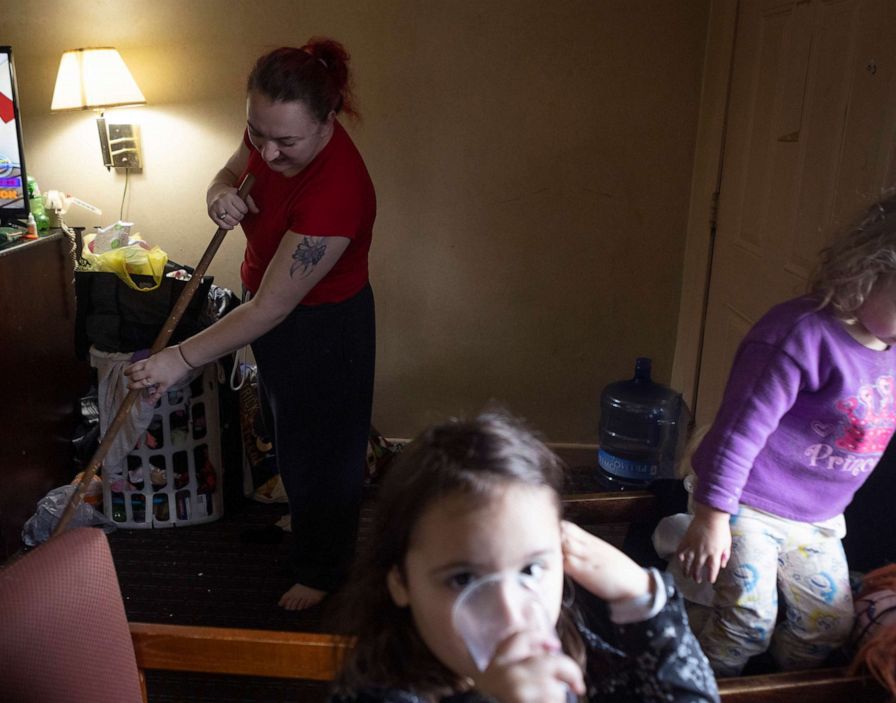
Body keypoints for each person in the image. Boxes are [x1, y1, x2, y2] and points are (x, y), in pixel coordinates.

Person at [125, 38, 376, 611]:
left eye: (285, 141)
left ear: (327, 120)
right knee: (287, 429)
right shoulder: (270, 133)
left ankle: (325, 570)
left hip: (323, 326)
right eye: (256, 133)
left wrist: (178, 358)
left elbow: (270, 309)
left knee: (325, 449)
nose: (267, 151)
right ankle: (308, 520)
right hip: (267, 304)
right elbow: (234, 169)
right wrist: (218, 193)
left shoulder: (337, 191)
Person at [330, 410, 719, 703]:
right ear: (401, 582)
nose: (510, 612)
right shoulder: (378, 691)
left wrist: (643, 600)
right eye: (463, 579)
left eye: (531, 568)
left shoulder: (586, 643)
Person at [674, 193, 896, 676]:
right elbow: (737, 433)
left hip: (816, 518)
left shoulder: (891, 344)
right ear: (870, 272)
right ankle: (697, 682)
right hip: (746, 502)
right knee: (748, 621)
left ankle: (770, 686)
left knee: (826, 629)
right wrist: (712, 517)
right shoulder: (797, 335)